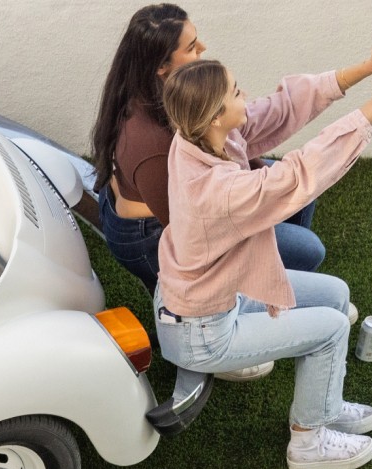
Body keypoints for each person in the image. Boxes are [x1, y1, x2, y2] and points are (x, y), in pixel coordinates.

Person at [155, 47, 372, 469]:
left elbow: (280, 108)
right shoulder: (221, 192)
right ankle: (308, 443)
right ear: (215, 116)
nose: (245, 95)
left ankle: (325, 401)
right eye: (236, 92)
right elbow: (299, 174)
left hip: (212, 297)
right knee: (330, 328)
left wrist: (364, 68)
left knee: (336, 294)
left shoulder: (195, 137)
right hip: (203, 331)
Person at [87, 5, 331, 288]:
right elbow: (194, 235)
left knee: (296, 189)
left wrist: (256, 174)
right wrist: (255, 215)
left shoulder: (157, 89)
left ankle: (277, 273)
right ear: (161, 66)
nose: (203, 48)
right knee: (309, 249)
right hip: (152, 234)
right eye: (191, 48)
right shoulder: (155, 143)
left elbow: (228, 143)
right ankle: (263, 289)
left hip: (168, 199)